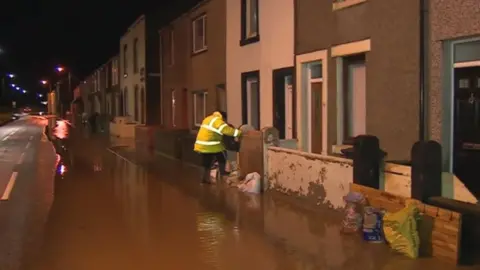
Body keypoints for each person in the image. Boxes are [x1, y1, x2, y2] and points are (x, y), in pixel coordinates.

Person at [194, 110, 241, 184]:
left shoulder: (208, 118)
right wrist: (239, 133)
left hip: (202, 144)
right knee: (222, 156)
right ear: (223, 117)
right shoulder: (218, 121)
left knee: (206, 163)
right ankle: (223, 175)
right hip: (211, 144)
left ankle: (204, 180)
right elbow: (227, 130)